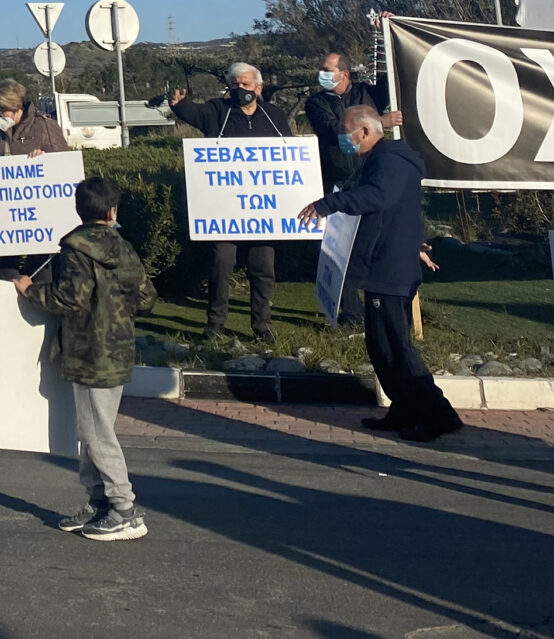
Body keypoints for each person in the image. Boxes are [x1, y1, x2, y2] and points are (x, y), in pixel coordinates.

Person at [297, 106, 460, 442]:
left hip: (390, 268)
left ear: (366, 132)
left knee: (396, 347)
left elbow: (379, 197)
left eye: (346, 132)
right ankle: (404, 408)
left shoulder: (390, 161)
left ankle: (438, 414)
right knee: (380, 346)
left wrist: (330, 203)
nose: (343, 138)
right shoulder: (382, 161)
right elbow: (400, 212)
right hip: (384, 263)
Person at [13, 177, 156, 542]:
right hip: (119, 348)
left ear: (80, 210)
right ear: (112, 212)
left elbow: (69, 299)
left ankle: (125, 509)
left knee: (97, 434)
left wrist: (31, 291)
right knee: (92, 431)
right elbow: (146, 298)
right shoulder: (124, 248)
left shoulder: (74, 248)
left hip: (89, 351)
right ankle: (99, 500)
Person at [163, 63, 289, 341]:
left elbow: (289, 154)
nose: (240, 89)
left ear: (258, 87)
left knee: (263, 267)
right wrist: (180, 105)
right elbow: (195, 113)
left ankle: (262, 326)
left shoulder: (275, 116)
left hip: (263, 211)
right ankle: (215, 325)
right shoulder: (217, 111)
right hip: (224, 211)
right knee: (222, 262)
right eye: (235, 84)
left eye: (245, 84)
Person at [303, 51, 402, 327]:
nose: (321, 73)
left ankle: (382, 306)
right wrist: (380, 122)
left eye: (326, 69)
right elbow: (333, 129)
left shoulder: (367, 94)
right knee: (339, 246)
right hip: (337, 180)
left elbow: (392, 75)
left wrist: (385, 35)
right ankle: (352, 314)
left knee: (375, 243)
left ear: (343, 74)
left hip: (371, 177)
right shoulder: (316, 102)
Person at [0, 78, 68, 280]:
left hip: (40, 212)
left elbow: (64, 165)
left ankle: (43, 308)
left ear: (13, 106)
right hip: (9, 211)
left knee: (40, 265)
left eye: (0, 111)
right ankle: (6, 307)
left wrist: (44, 161)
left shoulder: (45, 125)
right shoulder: (1, 130)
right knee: (5, 262)